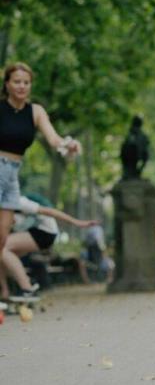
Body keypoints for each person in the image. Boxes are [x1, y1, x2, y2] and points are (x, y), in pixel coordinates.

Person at [0, 62, 81, 256]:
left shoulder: (36, 112)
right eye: (17, 81)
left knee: (2, 240)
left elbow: (53, 139)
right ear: (7, 84)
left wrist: (67, 144)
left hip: (12, 176)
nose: (22, 86)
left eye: (26, 82)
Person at [0, 194, 97, 301]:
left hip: (45, 232)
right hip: (31, 233)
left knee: (3, 247)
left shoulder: (18, 202)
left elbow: (51, 212)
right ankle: (5, 292)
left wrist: (77, 222)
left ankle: (28, 289)